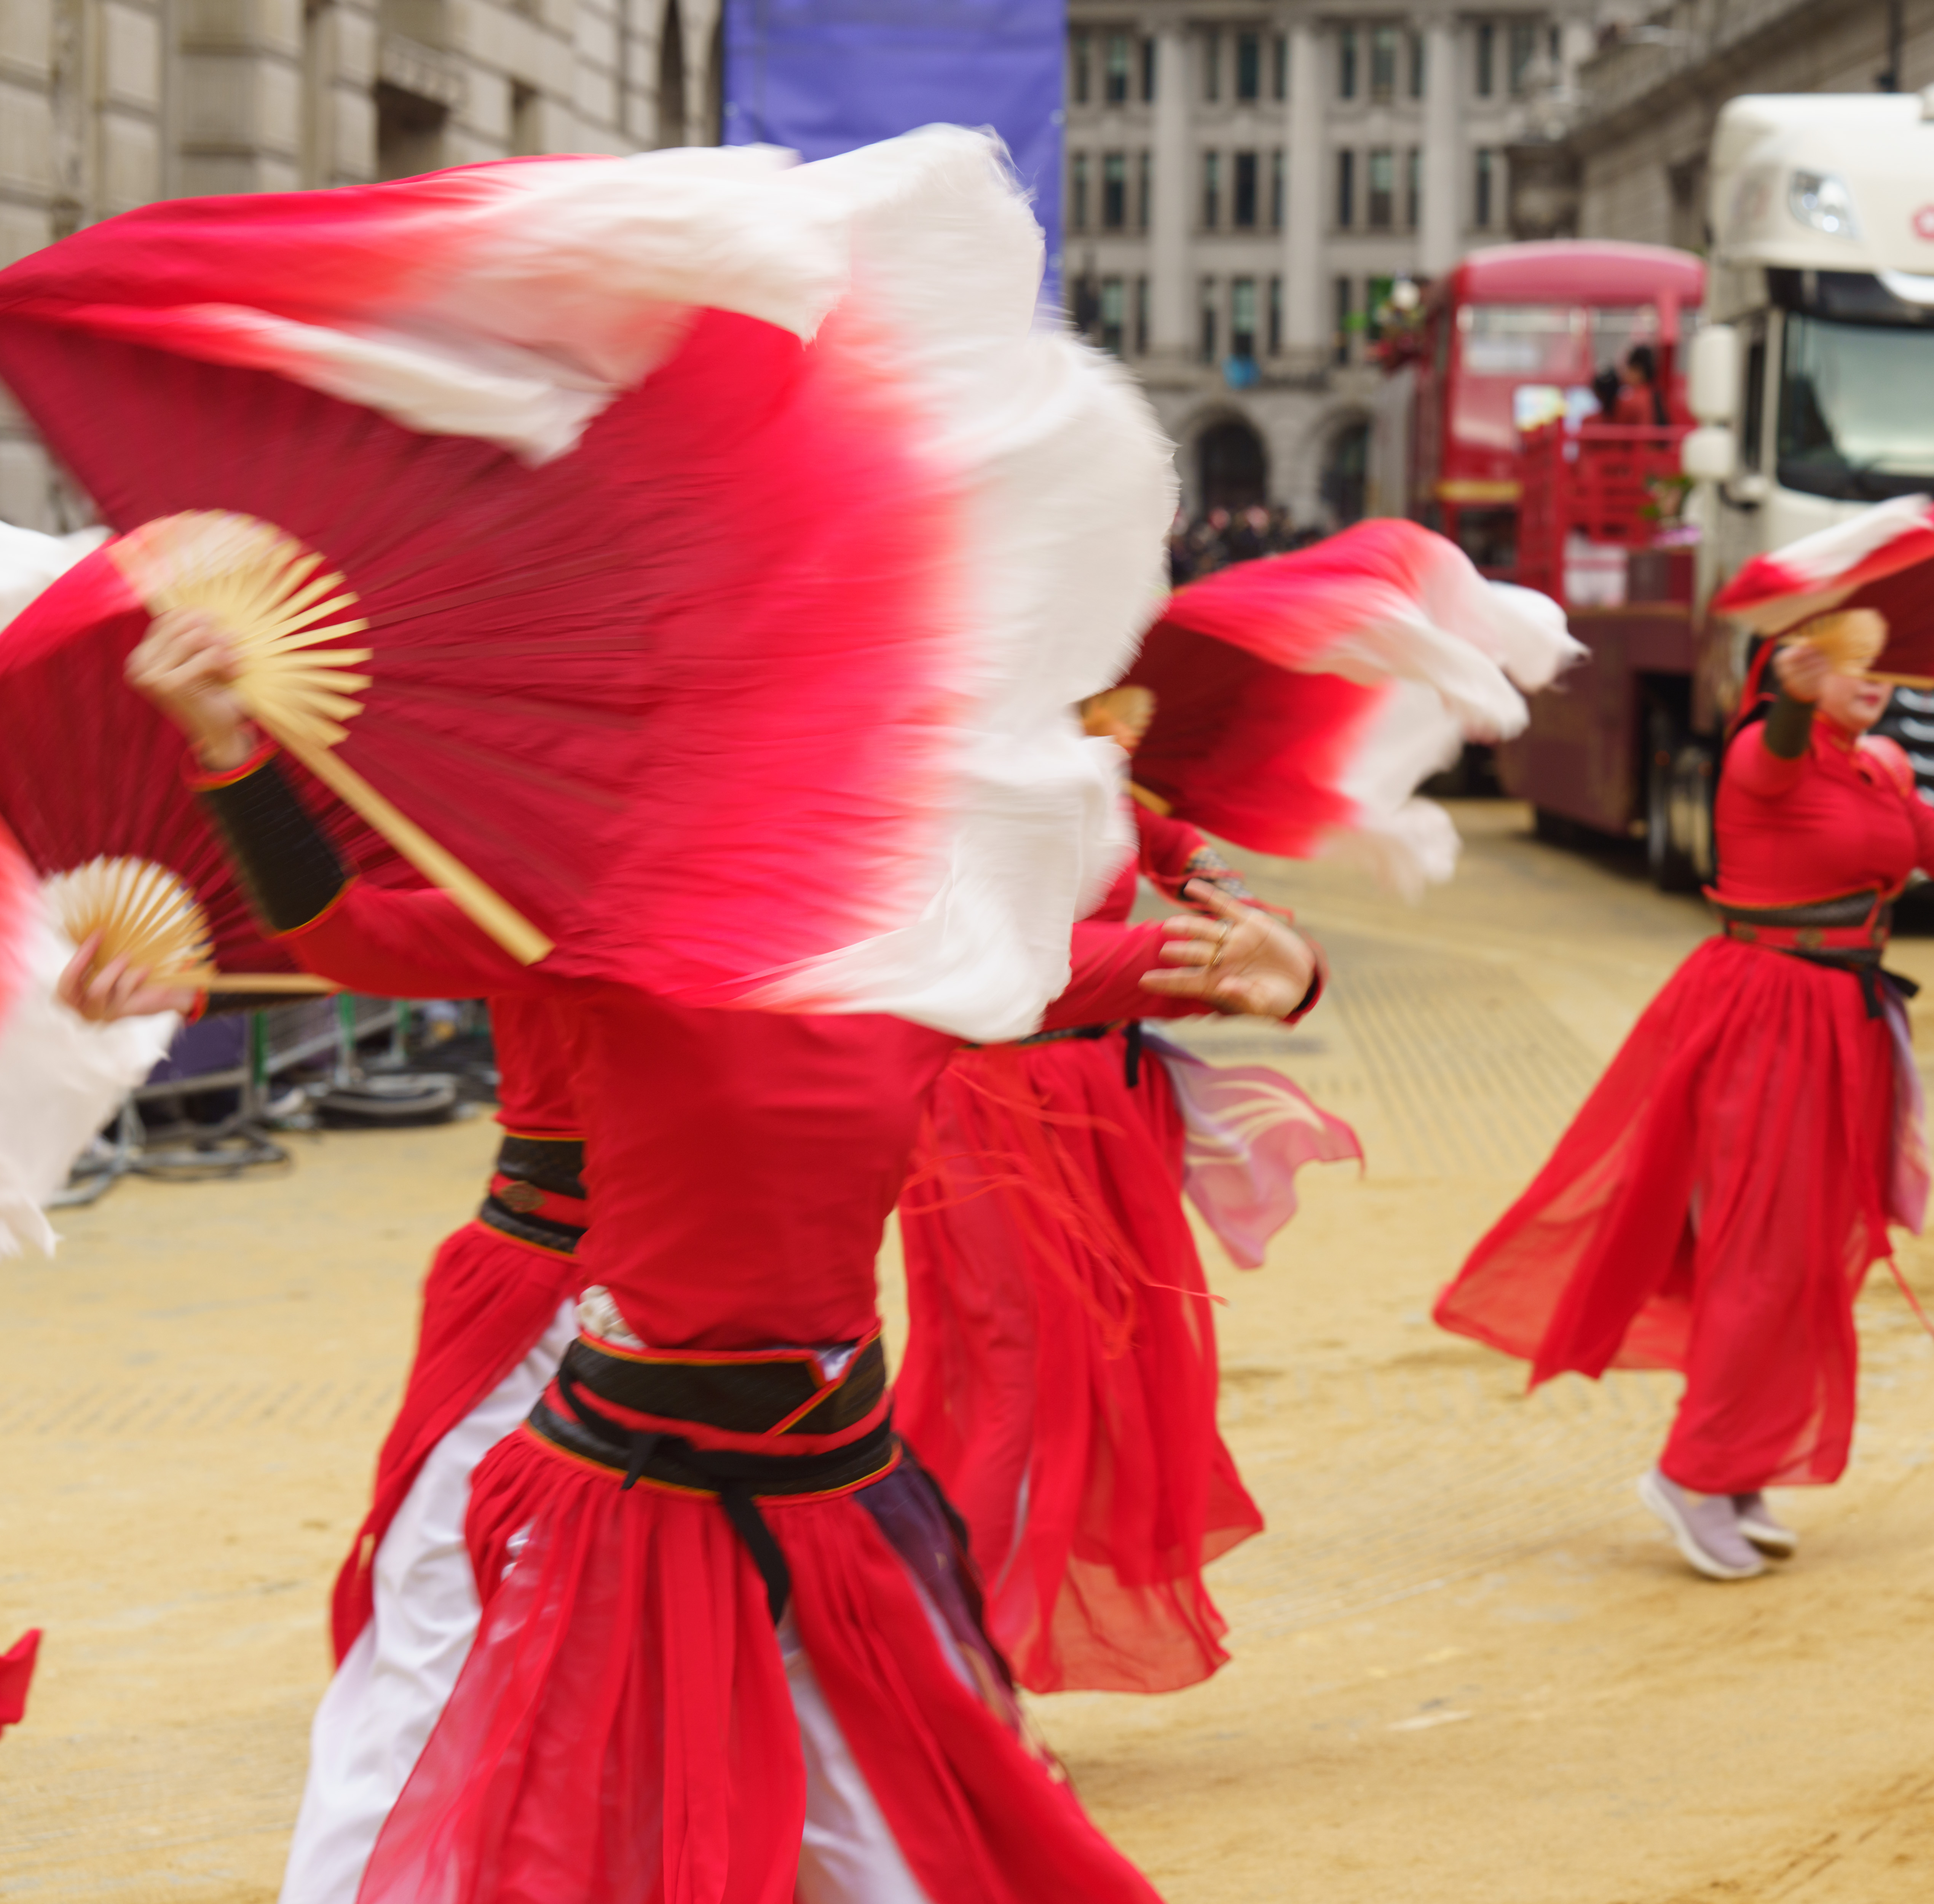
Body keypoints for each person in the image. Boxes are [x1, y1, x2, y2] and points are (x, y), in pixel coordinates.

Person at [102, 609, 1324, 1902]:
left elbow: (1158, 969)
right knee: (518, 1789)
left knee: (891, 1853)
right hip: (625, 1491)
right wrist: (229, 748)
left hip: (834, 1494)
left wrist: (1280, 968)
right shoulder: (598, 936)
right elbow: (351, 932)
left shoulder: (922, 967)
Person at [1433, 631, 1934, 1579]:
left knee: (1803, 1261)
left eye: (1883, 657)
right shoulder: (1762, 751)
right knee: (1759, 1256)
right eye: (1848, 658)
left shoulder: (1882, 767)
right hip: (1763, 1020)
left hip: (1846, 1026)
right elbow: (1779, 744)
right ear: (1794, 669)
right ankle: (1689, 1472)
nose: (1876, 674)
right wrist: (1789, 698)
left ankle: (1740, 1465)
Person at [60, 936, 587, 1904]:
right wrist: (205, 977)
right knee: (437, 1623)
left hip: (748, 1334)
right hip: (565, 1283)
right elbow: (406, 919)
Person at [895, 685, 1354, 1695]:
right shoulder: (973, 778)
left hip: (1101, 1101)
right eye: (1117, 684)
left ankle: (957, 1643)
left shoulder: (1097, 777)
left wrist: (1241, 911)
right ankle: (955, 1655)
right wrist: (1207, 966)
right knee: (1017, 1369)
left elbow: (1177, 846)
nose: (1140, 712)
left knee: (1081, 1364)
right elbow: (1003, 969)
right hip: (995, 1107)